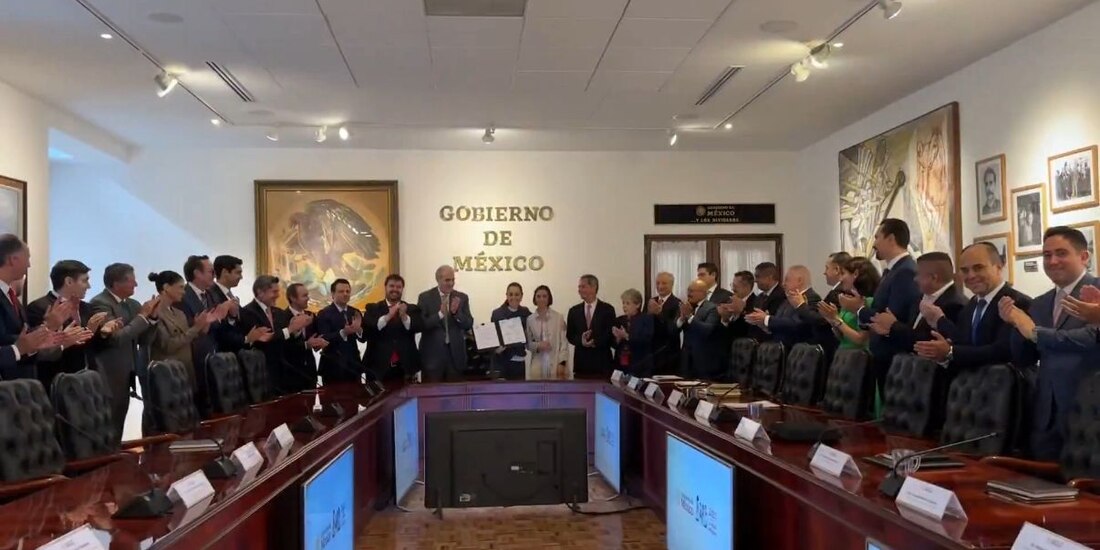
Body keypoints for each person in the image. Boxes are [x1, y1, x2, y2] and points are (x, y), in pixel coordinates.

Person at [1000, 226, 1100, 460]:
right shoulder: (1040, 303)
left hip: (1091, 410)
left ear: (1084, 257)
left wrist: (1033, 331)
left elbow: (1088, 338)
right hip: (1047, 415)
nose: (1052, 261)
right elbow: (1024, 358)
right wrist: (1015, 322)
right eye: (1047, 255)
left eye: (1061, 253)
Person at [914, 242, 1031, 384]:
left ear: (998, 267)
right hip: (971, 393)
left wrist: (950, 352)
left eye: (978, 268)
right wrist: (942, 346)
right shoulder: (970, 306)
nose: (971, 275)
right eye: (965, 270)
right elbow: (965, 343)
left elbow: (1001, 351)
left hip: (1003, 393)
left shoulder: (1017, 303)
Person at [848, 218, 922, 394]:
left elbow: (887, 319)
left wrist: (858, 308)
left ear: (891, 239)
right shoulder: (893, 270)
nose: (874, 244)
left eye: (877, 237)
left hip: (893, 355)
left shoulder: (904, 271)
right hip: (885, 354)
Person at [88, 263, 160, 440]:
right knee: (107, 429)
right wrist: (142, 317)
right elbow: (117, 338)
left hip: (127, 374)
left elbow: (143, 340)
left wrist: (152, 318)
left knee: (119, 425)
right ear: (116, 283)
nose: (136, 284)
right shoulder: (100, 303)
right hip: (108, 375)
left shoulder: (132, 304)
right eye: (131, 280)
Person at [25, 260, 102, 391]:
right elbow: (40, 352)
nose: (88, 286)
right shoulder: (39, 307)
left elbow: (94, 347)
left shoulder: (87, 308)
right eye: (84, 280)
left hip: (87, 383)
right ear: (69, 281)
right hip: (56, 383)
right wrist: (65, 339)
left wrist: (99, 332)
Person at [872, 252, 966, 354]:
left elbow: (927, 342)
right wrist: (890, 328)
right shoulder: (920, 298)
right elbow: (911, 331)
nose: (915, 279)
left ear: (934, 278)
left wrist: (894, 326)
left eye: (918, 274)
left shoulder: (955, 304)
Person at [238, 275, 313, 394]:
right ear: (260, 292)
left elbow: (286, 341)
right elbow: (264, 339)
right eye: (274, 292)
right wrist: (289, 329)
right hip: (261, 374)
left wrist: (296, 331)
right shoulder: (248, 312)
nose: (278, 295)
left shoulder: (278, 312)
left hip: (283, 374)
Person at [147, 270, 215, 396]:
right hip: (168, 376)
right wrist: (196, 328)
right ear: (166, 287)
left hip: (186, 372)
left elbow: (188, 339)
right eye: (180, 287)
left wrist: (203, 327)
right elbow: (168, 346)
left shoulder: (179, 313)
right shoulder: (153, 312)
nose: (183, 292)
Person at [746, 265, 825, 354]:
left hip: (798, 353)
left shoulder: (811, 297)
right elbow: (780, 322)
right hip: (781, 350)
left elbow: (796, 324)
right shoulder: (788, 298)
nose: (783, 283)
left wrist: (767, 319)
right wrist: (764, 325)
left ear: (800, 280)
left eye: (787, 279)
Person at [417, 265, 473, 382]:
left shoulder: (461, 297)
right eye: (447, 280)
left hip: (455, 358)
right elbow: (421, 325)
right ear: (438, 279)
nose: (451, 283)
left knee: (455, 397)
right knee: (432, 397)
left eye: (453, 280)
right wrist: (440, 314)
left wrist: (456, 313)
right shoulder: (425, 297)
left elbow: (468, 324)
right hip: (432, 359)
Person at [364, 274, 422, 384]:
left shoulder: (412, 309)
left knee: (407, 401)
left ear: (402, 289)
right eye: (392, 286)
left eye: (398, 287)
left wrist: (404, 317)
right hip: (378, 367)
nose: (395, 289)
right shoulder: (372, 308)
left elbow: (419, 326)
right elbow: (370, 328)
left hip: (406, 367)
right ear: (385, 287)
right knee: (378, 401)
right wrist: (388, 316)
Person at [818, 256, 880, 350]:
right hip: (844, 354)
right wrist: (831, 319)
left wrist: (837, 319)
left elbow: (860, 339)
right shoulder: (849, 299)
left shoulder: (869, 301)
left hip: (859, 358)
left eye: (843, 274)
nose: (840, 279)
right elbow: (842, 337)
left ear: (855, 274)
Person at [315, 278, 367, 385]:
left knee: (355, 400)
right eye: (341, 291)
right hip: (332, 366)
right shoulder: (324, 313)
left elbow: (363, 339)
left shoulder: (355, 312)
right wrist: (343, 332)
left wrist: (359, 330)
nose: (345, 294)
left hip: (353, 366)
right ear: (333, 294)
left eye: (347, 291)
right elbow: (324, 338)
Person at [566, 274, 616, 378]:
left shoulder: (607, 309)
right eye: (579, 287)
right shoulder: (574, 311)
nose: (579, 290)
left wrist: (594, 342)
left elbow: (610, 334)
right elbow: (570, 336)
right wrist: (581, 341)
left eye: (583, 286)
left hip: (602, 365)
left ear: (594, 287)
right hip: (581, 366)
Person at [283, 282, 329, 391]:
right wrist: (305, 345)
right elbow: (283, 346)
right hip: (291, 372)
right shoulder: (282, 317)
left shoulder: (311, 315)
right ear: (293, 298)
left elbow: (317, 338)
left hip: (309, 371)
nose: (308, 298)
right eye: (304, 296)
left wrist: (320, 343)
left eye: (307, 295)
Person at [676, 279, 721, 380]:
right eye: (688, 290)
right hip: (686, 360)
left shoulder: (712, 308)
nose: (688, 294)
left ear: (703, 292)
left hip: (703, 361)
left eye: (692, 291)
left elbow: (707, 330)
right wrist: (682, 319)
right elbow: (675, 328)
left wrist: (690, 317)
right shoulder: (686, 306)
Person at [488, 283, 531, 380]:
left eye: (517, 294)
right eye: (510, 294)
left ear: (521, 296)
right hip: (501, 361)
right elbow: (492, 337)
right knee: (502, 393)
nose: (513, 297)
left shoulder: (526, 312)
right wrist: (496, 349)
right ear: (506, 295)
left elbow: (532, 331)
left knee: (519, 393)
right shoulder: (497, 313)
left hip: (519, 361)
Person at [526, 285, 569, 380]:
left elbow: (564, 343)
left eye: (544, 296)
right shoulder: (530, 319)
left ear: (549, 298)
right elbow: (528, 344)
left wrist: (562, 362)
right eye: (538, 296)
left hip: (555, 361)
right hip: (537, 362)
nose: (541, 299)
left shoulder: (558, 317)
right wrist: (538, 345)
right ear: (535, 298)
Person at [613, 288, 655, 377]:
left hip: (639, 365)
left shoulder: (646, 319)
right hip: (621, 366)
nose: (624, 306)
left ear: (638, 304)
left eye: (628, 303)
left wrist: (627, 336)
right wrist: (617, 339)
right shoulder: (619, 320)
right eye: (623, 303)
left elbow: (646, 340)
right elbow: (613, 344)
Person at [646, 272, 682, 376]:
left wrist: (659, 314)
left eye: (664, 283)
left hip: (668, 354)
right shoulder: (652, 301)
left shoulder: (677, 303)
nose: (660, 286)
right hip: (651, 353)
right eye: (657, 283)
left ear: (671, 285)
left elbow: (674, 329)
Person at [209, 255, 245, 352]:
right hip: (221, 355)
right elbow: (219, 330)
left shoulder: (231, 296)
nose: (241, 277)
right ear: (225, 272)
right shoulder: (211, 294)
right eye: (238, 272)